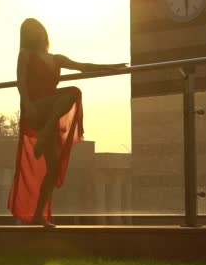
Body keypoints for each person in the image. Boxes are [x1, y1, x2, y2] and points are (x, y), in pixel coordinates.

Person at [7, 18, 126, 227]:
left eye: (38, 28)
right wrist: (27, 106)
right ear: (27, 35)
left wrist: (111, 67)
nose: (37, 32)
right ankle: (44, 132)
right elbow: (21, 82)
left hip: (50, 115)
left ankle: (37, 216)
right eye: (31, 30)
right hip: (36, 109)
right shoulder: (25, 54)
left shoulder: (56, 58)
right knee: (73, 92)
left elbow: (83, 67)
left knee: (52, 169)